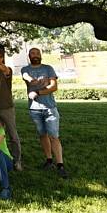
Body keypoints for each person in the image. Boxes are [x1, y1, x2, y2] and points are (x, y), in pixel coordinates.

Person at [21, 47, 67, 178]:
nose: (35, 55)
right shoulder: (26, 69)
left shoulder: (48, 68)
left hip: (50, 108)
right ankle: (49, 160)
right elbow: (27, 77)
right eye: (32, 54)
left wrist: (38, 91)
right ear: (29, 56)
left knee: (54, 136)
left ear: (40, 55)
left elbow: (54, 87)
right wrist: (39, 82)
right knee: (42, 135)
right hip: (35, 109)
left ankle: (60, 164)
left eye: (37, 53)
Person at [0, 45, 22, 171]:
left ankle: (17, 160)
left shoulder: (7, 70)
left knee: (13, 135)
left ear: (2, 58)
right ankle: (2, 158)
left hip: (7, 108)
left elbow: (6, 71)